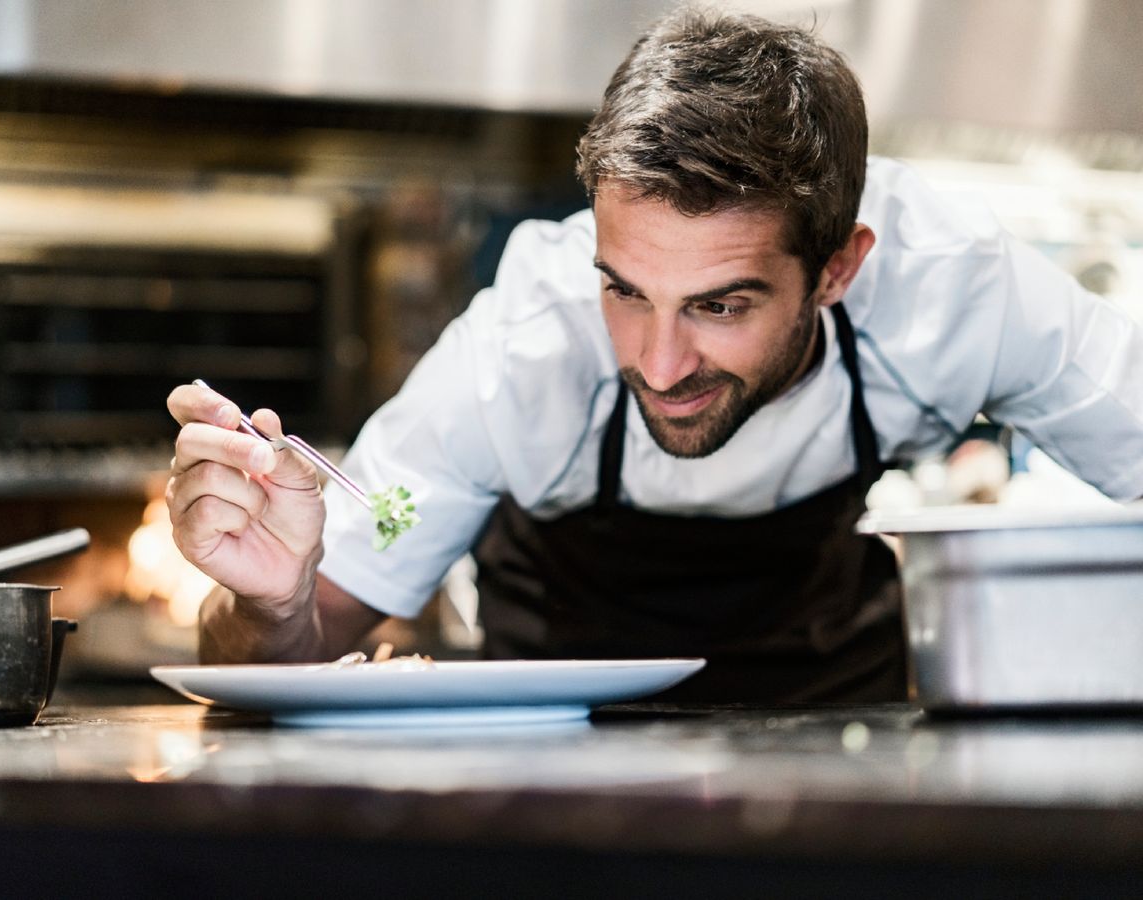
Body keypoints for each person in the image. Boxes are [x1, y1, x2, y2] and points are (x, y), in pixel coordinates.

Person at [165, 9, 1143, 703]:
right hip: (555, 774)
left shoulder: (957, 289)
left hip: (844, 743)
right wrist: (266, 596)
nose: (662, 362)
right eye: (625, 289)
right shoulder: (519, 347)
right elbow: (277, 655)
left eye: (721, 305)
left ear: (839, 269)